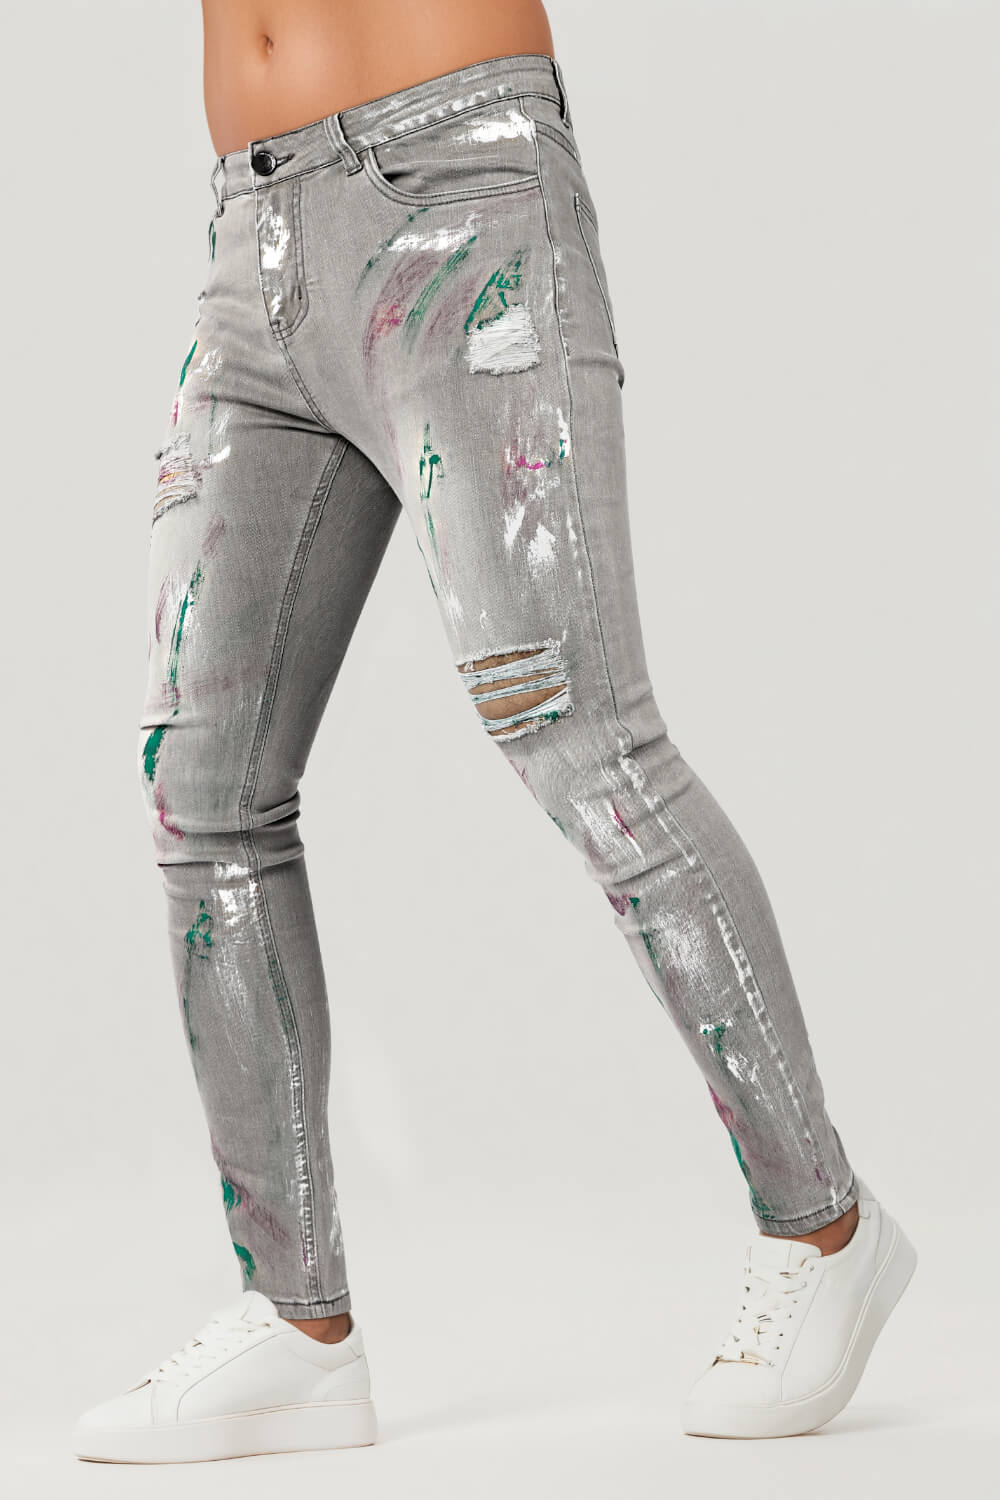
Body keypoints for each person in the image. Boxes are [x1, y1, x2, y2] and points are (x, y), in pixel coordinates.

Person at [73, 0, 916, 1462]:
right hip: (253, 238)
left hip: (458, 195)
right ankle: (297, 1327)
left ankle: (823, 1227)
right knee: (201, 787)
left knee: (586, 742)